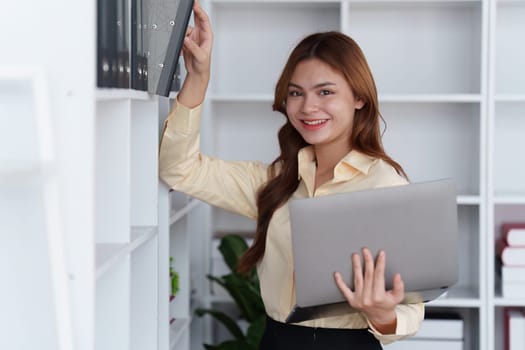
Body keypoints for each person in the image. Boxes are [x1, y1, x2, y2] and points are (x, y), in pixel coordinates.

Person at [159, 1, 424, 348]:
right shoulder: (276, 182)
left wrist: (382, 314)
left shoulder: (387, 185)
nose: (308, 107)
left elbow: (412, 310)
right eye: (296, 93)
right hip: (278, 340)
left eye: (325, 92)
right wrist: (198, 77)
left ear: (359, 98)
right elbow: (179, 169)